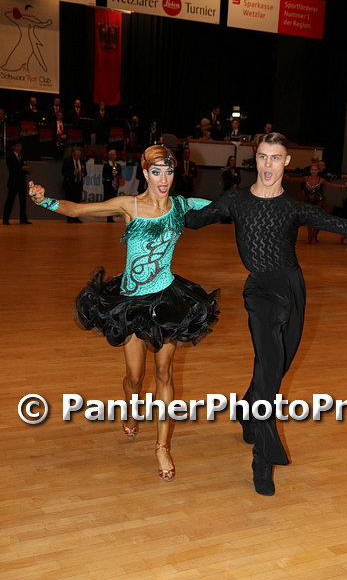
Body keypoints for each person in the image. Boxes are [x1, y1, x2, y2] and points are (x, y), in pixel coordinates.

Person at [185, 132, 347, 496]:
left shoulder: (293, 207)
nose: (268, 164)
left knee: (277, 367)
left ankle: (247, 408)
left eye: (275, 158)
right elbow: (193, 221)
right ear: (256, 158)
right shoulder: (235, 200)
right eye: (263, 157)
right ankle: (263, 458)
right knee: (269, 371)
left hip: (292, 289)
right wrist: (161, 201)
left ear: (287, 162)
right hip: (260, 293)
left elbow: (343, 225)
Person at [28, 144, 219, 480]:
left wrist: (259, 199)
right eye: (156, 172)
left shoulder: (181, 205)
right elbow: (78, 209)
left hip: (167, 302)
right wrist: (45, 201)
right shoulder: (128, 205)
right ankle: (131, 411)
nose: (163, 179)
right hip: (131, 303)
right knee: (135, 376)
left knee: (164, 373)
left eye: (169, 171)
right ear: (145, 173)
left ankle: (162, 446)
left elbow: (226, 207)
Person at [3, 141, 31, 225]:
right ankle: (5, 219)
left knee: (23, 201)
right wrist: (22, 168)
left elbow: (24, 166)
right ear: (13, 147)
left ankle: (23, 219)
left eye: (20, 146)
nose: (19, 148)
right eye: (17, 146)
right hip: (13, 182)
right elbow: (12, 169)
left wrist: (27, 169)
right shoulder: (10, 156)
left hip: (22, 182)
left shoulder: (22, 156)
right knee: (10, 200)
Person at [62, 147, 87, 223]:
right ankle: (69, 218)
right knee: (69, 202)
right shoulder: (67, 160)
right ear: (73, 154)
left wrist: (82, 173)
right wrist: (74, 172)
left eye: (79, 155)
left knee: (77, 201)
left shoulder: (82, 161)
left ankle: (76, 217)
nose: (78, 156)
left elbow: (85, 173)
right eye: (76, 155)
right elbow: (63, 172)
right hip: (70, 184)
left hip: (78, 184)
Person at [103, 149, 122, 222]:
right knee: (108, 201)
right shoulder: (106, 165)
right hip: (108, 186)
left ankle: (111, 217)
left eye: (114, 155)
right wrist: (112, 176)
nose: (114, 156)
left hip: (115, 186)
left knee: (114, 201)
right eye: (112, 155)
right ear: (109, 156)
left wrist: (119, 176)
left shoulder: (118, 165)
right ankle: (108, 217)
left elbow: (120, 174)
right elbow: (104, 176)